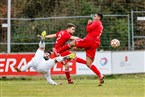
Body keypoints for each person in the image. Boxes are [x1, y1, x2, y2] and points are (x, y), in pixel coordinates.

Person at [54, 13, 104, 86]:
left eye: (95, 16)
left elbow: (88, 29)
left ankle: (58, 51)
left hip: (89, 41)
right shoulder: (101, 25)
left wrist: (89, 24)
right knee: (89, 63)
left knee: (72, 43)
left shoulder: (96, 22)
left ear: (99, 17)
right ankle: (100, 75)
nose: (94, 17)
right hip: (95, 44)